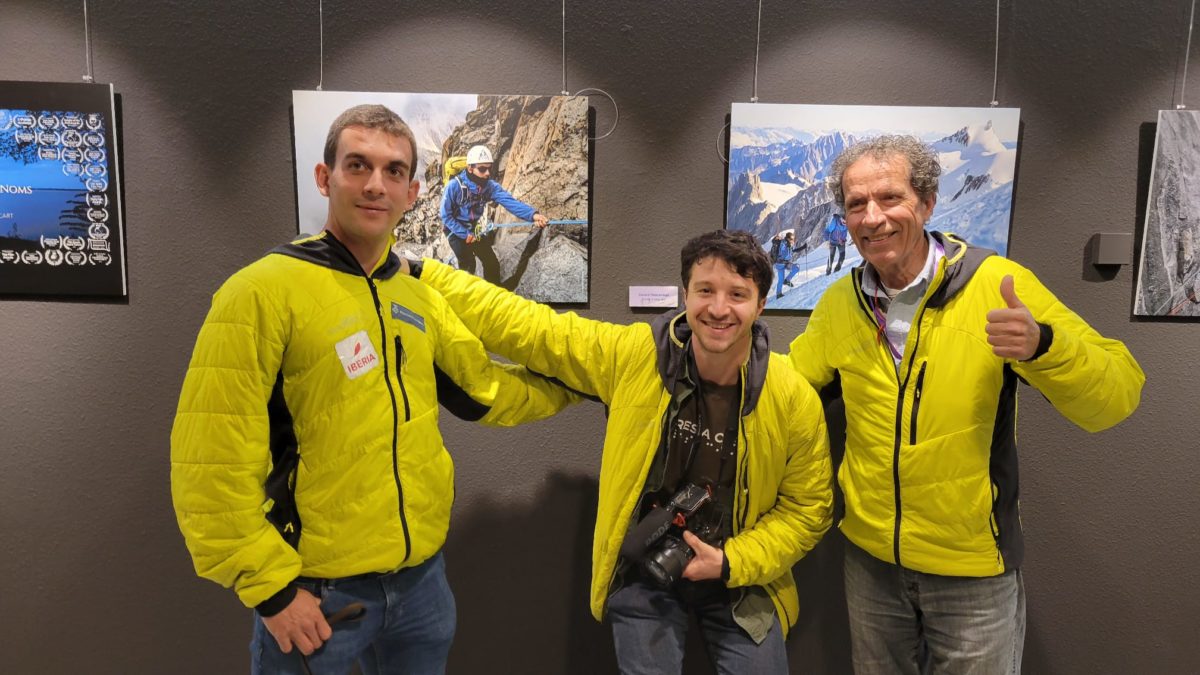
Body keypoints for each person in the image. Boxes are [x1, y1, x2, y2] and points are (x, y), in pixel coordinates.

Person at [170, 104, 575, 675]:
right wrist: (271, 592)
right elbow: (209, 461)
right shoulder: (259, 293)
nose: (374, 185)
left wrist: (580, 385)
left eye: (392, 172)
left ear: (412, 192)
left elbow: (485, 392)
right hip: (317, 594)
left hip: (421, 587)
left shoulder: (417, 297)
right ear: (324, 176)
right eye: (357, 165)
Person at [787, 135, 1145, 674]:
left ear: (927, 204)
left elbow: (1117, 394)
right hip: (870, 562)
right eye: (856, 204)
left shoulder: (997, 284)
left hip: (972, 568)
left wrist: (1044, 345)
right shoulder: (841, 302)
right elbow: (789, 387)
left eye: (890, 198)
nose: (872, 217)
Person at [401, 229, 833, 673]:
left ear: (761, 304)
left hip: (742, 578)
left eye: (738, 294)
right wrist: (424, 273)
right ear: (686, 294)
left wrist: (730, 563)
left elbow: (807, 510)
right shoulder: (636, 355)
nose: (719, 308)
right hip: (646, 566)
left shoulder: (791, 397)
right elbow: (532, 329)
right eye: (705, 290)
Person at [440, 144, 549, 285]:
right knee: (468, 264)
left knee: (491, 263)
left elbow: (510, 202)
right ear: (470, 168)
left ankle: (495, 295)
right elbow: (445, 216)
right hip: (454, 230)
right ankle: (465, 296)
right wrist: (464, 234)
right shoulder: (453, 187)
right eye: (482, 169)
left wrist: (533, 215)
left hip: (473, 229)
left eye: (489, 168)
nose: (487, 173)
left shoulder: (489, 187)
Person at [769, 230, 801, 299]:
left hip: (785, 263)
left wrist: (803, 247)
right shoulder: (783, 244)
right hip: (780, 264)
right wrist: (788, 247)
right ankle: (779, 293)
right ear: (788, 238)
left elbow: (794, 250)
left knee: (796, 268)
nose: (793, 240)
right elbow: (783, 254)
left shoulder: (789, 244)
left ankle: (786, 281)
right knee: (781, 279)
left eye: (793, 239)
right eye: (792, 239)